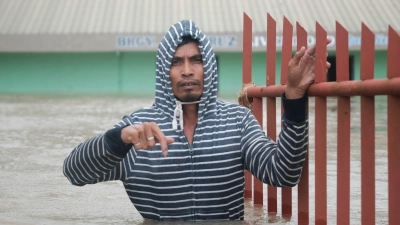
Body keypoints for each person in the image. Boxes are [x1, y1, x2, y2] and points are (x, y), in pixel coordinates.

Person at [63, 20, 330, 221]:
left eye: (196, 60)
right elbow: (74, 173)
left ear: (209, 67)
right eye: (176, 62)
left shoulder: (237, 121)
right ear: (164, 72)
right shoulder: (138, 129)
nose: (188, 71)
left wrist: (293, 97)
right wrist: (119, 138)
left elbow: (284, 172)